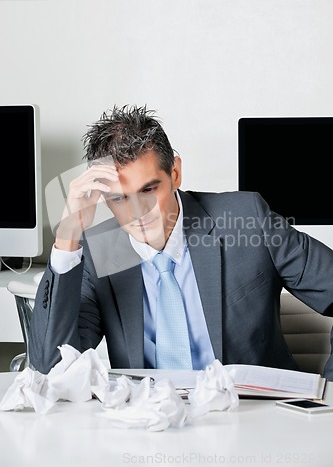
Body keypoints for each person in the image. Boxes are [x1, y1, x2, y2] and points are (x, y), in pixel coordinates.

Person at [29, 105, 333, 379]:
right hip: (150, 427)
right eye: (120, 198)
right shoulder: (101, 253)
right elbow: (52, 367)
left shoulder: (246, 219)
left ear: (175, 173)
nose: (138, 213)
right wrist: (67, 237)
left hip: (253, 417)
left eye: (149, 190)